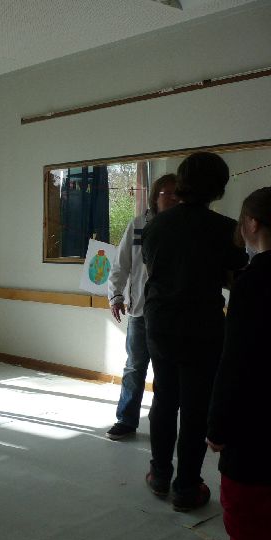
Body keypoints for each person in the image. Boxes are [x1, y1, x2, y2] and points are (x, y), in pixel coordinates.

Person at [141, 153, 246, 511]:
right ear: (218, 188)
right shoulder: (225, 229)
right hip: (202, 326)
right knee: (196, 408)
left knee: (164, 399)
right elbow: (235, 276)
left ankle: (159, 474)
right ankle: (186, 487)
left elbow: (155, 270)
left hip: (160, 323)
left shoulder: (156, 225)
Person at [191, 187, 271, 540]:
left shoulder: (253, 283)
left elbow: (236, 362)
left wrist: (217, 426)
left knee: (246, 515)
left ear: (252, 224)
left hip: (256, 421)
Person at [105, 174, 178, 440]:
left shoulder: (184, 227)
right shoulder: (137, 225)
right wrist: (115, 296)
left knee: (167, 371)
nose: (174, 198)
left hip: (172, 314)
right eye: (168, 193)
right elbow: (120, 264)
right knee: (135, 367)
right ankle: (126, 420)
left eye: (178, 193)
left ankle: (163, 422)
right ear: (155, 196)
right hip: (140, 312)